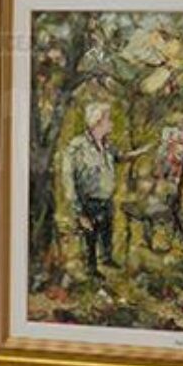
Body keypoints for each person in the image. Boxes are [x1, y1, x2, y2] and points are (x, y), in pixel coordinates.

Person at [64, 102, 146, 278]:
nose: (111, 123)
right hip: (88, 201)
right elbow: (68, 179)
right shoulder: (77, 146)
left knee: (106, 230)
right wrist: (79, 212)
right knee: (90, 235)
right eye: (108, 119)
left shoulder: (107, 145)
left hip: (105, 199)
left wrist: (141, 152)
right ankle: (91, 269)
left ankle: (106, 258)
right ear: (98, 122)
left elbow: (121, 157)